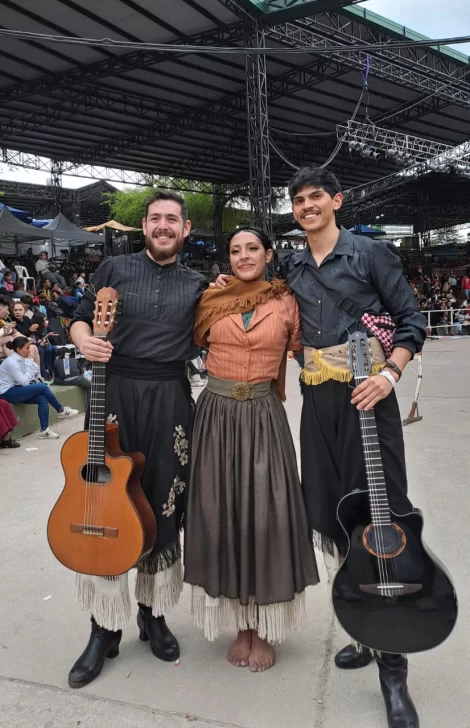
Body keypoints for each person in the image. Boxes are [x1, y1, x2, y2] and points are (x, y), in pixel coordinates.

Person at [215, 167, 426, 727]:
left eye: (316, 197)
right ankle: (364, 630)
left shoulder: (369, 254)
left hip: (367, 397)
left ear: (336, 200)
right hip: (318, 406)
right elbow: (258, 301)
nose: (307, 206)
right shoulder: (291, 265)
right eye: (298, 200)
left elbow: (410, 320)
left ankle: (394, 669)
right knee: (332, 520)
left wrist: (390, 377)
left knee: (381, 519)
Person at [68, 190, 207, 689]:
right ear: (144, 225)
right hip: (114, 393)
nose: (164, 226)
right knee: (104, 501)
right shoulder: (114, 270)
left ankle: (152, 614)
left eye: (173, 219)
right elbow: (80, 315)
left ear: (186, 229)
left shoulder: (200, 284)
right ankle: (103, 628)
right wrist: (84, 339)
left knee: (161, 505)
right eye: (155, 218)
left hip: (171, 396)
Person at [185, 227, 319, 673]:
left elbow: (308, 353)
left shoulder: (287, 301)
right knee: (222, 514)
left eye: (252, 249)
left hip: (264, 414)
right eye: (235, 250)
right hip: (216, 415)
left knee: (266, 516)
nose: (244, 256)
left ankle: (262, 627)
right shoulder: (209, 299)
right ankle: (240, 625)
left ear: (268, 253)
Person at [0, 336, 78, 439]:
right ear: (19, 349)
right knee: (42, 387)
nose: (29, 351)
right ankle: (61, 410)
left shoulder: (22, 359)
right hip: (7, 392)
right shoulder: (11, 362)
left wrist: (31, 367)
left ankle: (44, 430)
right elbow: (24, 382)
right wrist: (29, 364)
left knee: (42, 399)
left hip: (17, 389)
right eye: (27, 348)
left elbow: (28, 377)